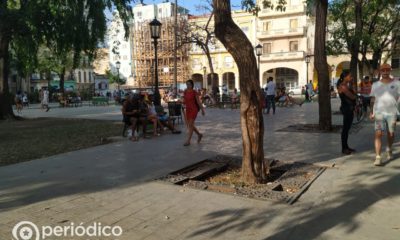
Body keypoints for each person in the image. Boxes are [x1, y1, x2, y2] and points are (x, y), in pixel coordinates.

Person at [369, 63, 400, 166]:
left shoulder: (397, 83)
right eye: (383, 70)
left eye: (387, 70)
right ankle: (378, 157)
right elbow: (373, 99)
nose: (385, 72)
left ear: (390, 71)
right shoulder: (375, 85)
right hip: (379, 112)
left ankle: (389, 148)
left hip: (392, 113)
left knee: (391, 133)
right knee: (378, 134)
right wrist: (371, 112)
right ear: (380, 72)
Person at [337, 70, 356, 155]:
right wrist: (355, 94)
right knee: (345, 129)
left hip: (349, 108)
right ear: (345, 77)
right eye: (350, 76)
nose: (351, 77)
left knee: (347, 129)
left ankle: (346, 147)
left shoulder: (346, 86)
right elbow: (352, 97)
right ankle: (344, 148)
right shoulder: (343, 87)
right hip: (347, 109)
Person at [183, 79, 205, 146]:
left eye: (189, 84)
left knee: (190, 125)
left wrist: (202, 110)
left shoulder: (194, 92)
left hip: (193, 110)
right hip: (187, 109)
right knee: (191, 125)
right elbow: (185, 100)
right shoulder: (185, 91)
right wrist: (181, 102)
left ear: (192, 85)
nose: (188, 85)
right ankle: (199, 135)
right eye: (187, 84)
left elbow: (198, 102)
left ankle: (188, 141)